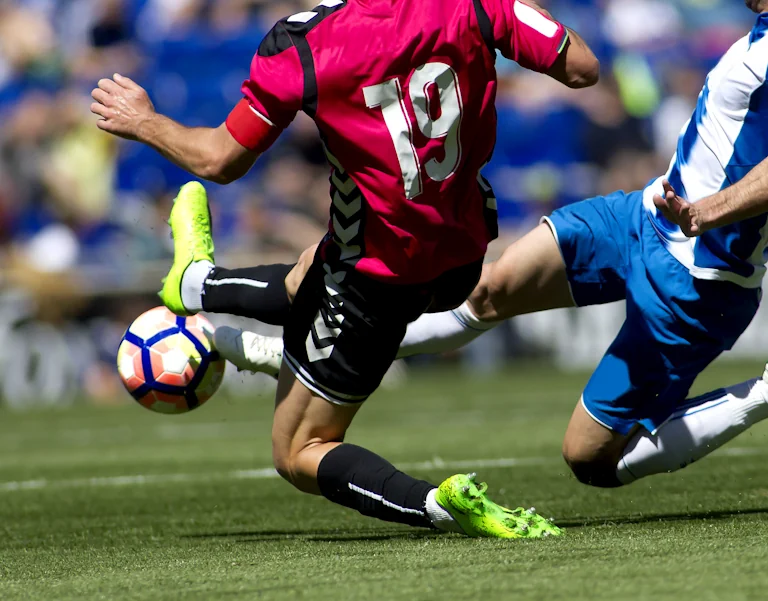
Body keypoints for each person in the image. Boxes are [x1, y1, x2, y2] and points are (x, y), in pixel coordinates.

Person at [189, 1, 768, 490]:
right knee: (486, 289)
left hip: (699, 271)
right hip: (642, 215)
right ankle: (295, 356)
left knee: (590, 460)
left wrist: (711, 209)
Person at [91, 0, 599, 538]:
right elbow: (584, 69)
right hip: (461, 250)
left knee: (298, 451)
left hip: (374, 282)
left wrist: (145, 122)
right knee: (314, 267)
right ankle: (197, 283)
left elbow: (220, 160)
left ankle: (437, 505)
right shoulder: (476, 4)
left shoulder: (304, 45)